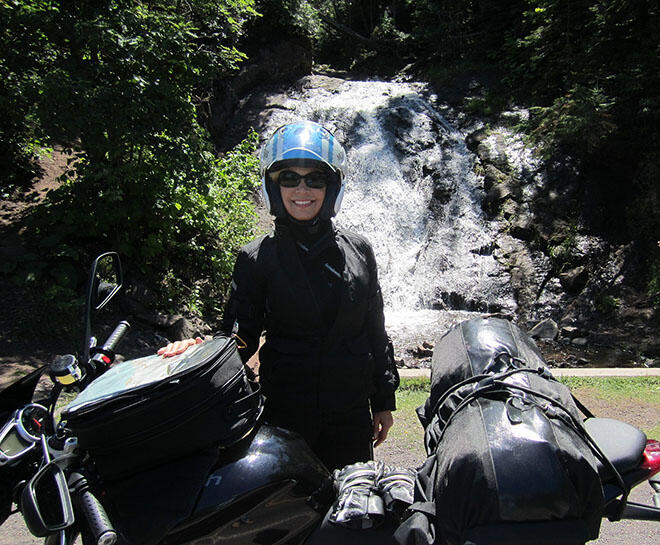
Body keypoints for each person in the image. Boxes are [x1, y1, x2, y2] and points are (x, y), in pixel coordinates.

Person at [159, 121, 399, 471]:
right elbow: (238, 340)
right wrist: (198, 353)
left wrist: (383, 400)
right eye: (289, 178)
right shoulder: (257, 258)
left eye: (315, 178)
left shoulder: (359, 250)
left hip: (349, 416)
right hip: (287, 417)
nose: (302, 189)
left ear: (332, 186)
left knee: (351, 514)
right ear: (274, 186)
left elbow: (375, 332)